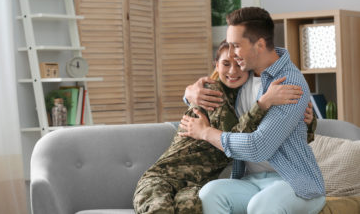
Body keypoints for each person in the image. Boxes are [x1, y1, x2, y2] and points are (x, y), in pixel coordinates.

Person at [133, 40, 315, 214]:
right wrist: (263, 103)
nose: (233, 71)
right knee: (160, 211)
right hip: (164, 178)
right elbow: (235, 139)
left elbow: (282, 134)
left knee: (193, 208)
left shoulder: (244, 96)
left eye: (238, 64)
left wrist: (307, 119)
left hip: (195, 186)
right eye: (226, 64)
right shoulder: (213, 94)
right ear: (216, 65)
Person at [180, 7, 326, 214]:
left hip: (294, 182)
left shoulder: (290, 84)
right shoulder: (244, 75)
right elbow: (216, 86)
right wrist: (189, 94)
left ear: (259, 44)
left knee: (262, 205)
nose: (231, 53)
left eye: (236, 46)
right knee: (210, 193)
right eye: (229, 46)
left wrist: (206, 133)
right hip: (251, 180)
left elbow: (259, 147)